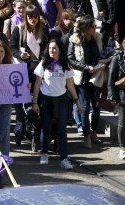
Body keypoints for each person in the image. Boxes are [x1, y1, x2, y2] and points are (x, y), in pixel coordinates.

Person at [32, 40, 83, 170]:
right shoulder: (43, 64)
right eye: (50, 48)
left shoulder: (66, 65)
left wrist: (77, 101)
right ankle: (44, 153)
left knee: (62, 130)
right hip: (46, 100)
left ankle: (64, 158)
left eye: (54, 48)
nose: (51, 51)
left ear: (60, 50)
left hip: (61, 100)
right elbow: (37, 84)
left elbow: (70, 85)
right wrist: (35, 102)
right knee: (46, 128)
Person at [68, 15, 106, 148]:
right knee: (85, 107)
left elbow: (102, 53)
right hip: (82, 77)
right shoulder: (74, 40)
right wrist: (85, 68)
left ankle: (94, 131)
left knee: (96, 106)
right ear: (85, 28)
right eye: (92, 27)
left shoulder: (97, 38)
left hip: (96, 75)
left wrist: (103, 62)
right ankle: (86, 135)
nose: (95, 28)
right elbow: (71, 59)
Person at [108, 40, 125, 160]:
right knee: (123, 122)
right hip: (123, 94)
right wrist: (112, 95)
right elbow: (111, 78)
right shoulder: (118, 58)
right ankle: (122, 147)